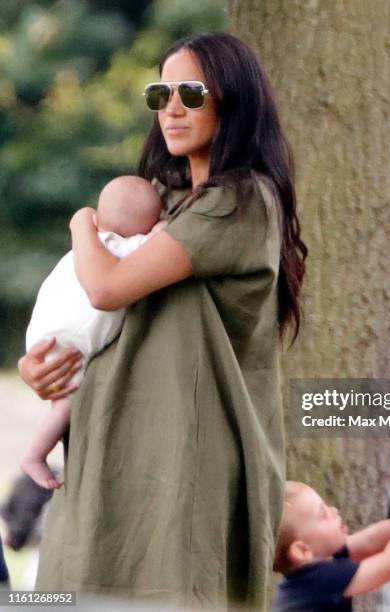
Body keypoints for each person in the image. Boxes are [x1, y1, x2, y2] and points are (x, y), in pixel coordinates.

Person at [18, 32, 306, 609]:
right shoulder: (161, 203)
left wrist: (82, 222)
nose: (172, 107)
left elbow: (104, 288)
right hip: (107, 460)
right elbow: (86, 311)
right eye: (162, 93)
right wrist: (40, 363)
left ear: (235, 100)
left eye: (193, 92)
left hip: (184, 472)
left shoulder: (240, 203)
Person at [22, 175, 164, 490]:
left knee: (59, 399)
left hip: (43, 334)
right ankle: (34, 456)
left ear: (98, 220)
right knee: (64, 405)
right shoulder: (130, 249)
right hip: (71, 342)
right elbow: (162, 240)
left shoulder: (85, 249)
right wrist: (160, 229)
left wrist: (82, 221)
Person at [272, 471, 390, 612]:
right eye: (323, 515)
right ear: (302, 551)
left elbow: (373, 538)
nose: (333, 510)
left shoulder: (321, 559)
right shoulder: (316, 581)